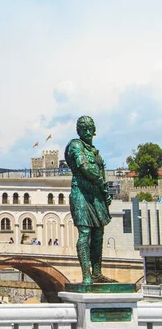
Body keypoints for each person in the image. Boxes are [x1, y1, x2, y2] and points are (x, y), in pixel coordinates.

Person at [65, 115, 117, 285]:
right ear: (78, 131)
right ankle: (86, 275)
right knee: (85, 233)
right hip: (81, 193)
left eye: (90, 128)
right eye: (83, 129)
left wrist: (104, 193)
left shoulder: (94, 151)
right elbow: (84, 167)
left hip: (96, 196)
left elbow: (99, 170)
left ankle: (97, 273)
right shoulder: (75, 146)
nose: (87, 132)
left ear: (94, 130)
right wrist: (102, 183)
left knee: (98, 233)